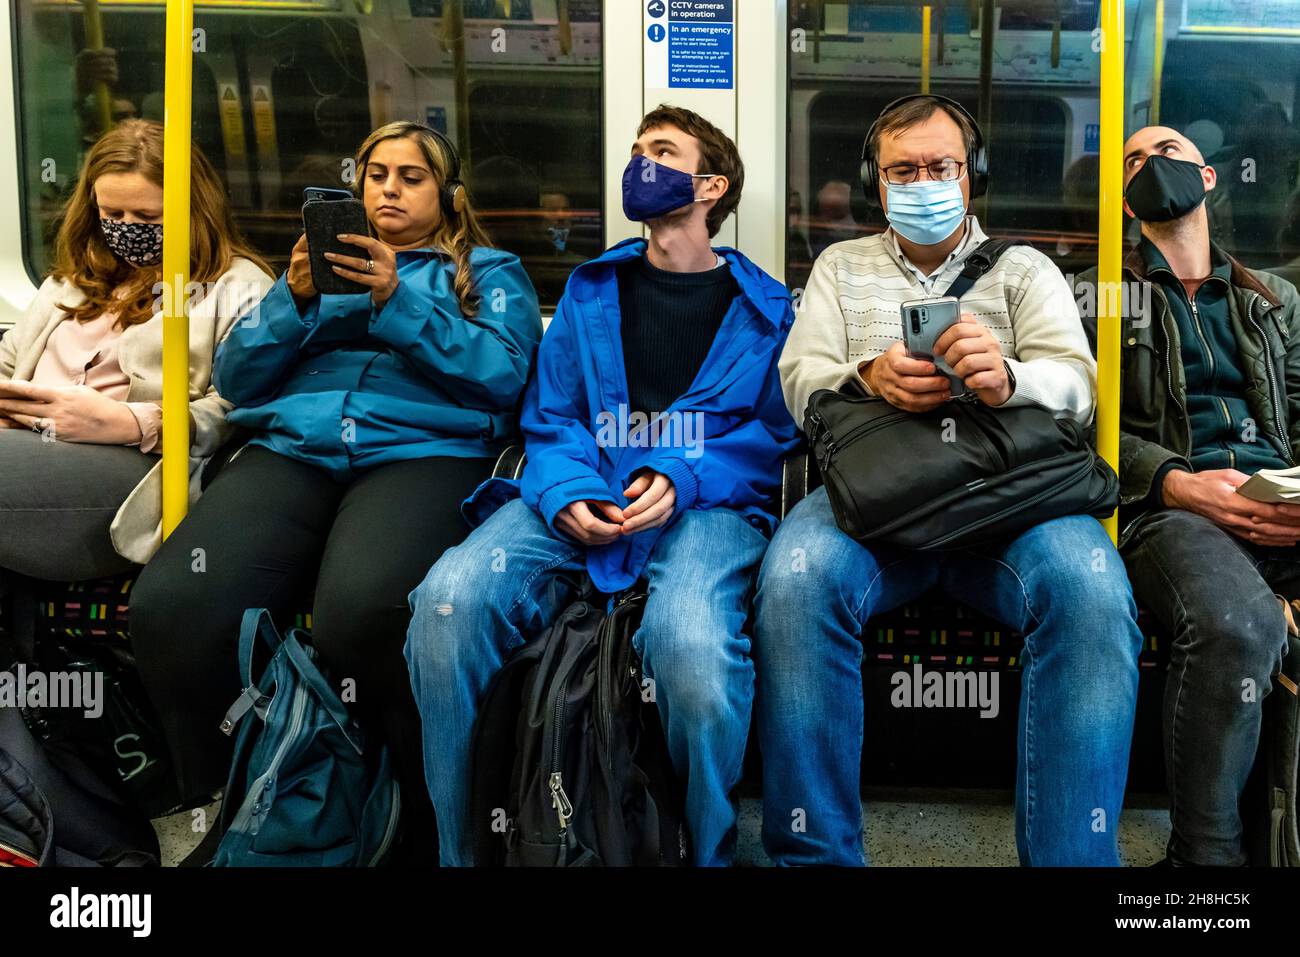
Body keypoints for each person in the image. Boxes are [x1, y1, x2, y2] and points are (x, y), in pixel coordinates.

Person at [128, 121, 542, 866]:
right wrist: (291, 297)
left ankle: (389, 807)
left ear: (448, 197)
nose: (387, 187)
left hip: (423, 450)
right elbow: (238, 378)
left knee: (363, 611)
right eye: (376, 174)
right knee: (174, 606)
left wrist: (395, 300)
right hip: (296, 447)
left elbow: (506, 378)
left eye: (410, 176)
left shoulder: (487, 270)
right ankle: (235, 793)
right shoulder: (314, 271)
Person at [404, 104, 800, 867]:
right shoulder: (590, 293)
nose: (639, 166)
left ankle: (703, 849)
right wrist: (564, 492)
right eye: (635, 152)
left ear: (711, 185)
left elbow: (769, 439)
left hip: (706, 504)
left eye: (661, 152)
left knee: (689, 647)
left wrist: (681, 473)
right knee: (446, 606)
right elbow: (551, 420)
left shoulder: (766, 312)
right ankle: (464, 850)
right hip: (578, 488)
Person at [754, 94, 1144, 866]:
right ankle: (817, 855)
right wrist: (868, 375)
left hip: (1012, 501)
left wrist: (1008, 377)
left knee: (1094, 591)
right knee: (796, 581)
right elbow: (798, 381)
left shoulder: (1025, 270)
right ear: (878, 181)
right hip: (878, 497)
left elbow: (1078, 385)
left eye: (942, 166)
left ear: (973, 176)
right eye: (904, 169)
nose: (924, 180)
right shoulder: (841, 267)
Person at [1079, 125, 1300, 867]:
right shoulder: (1102, 294)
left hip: (1277, 491)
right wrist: (1175, 481)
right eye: (1132, 161)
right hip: (1168, 505)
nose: (1149, 165)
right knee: (1236, 625)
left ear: (1208, 178)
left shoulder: (1275, 300)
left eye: (1166, 151)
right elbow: (1076, 425)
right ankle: (1205, 861)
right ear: (1122, 197)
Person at [0, 119, 272, 582]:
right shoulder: (70, 282)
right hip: (22, 441)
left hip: (135, 467)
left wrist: (131, 421)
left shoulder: (235, 288)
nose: (127, 230)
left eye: (147, 218)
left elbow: (242, 406)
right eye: (112, 215)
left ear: (191, 210)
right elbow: (10, 360)